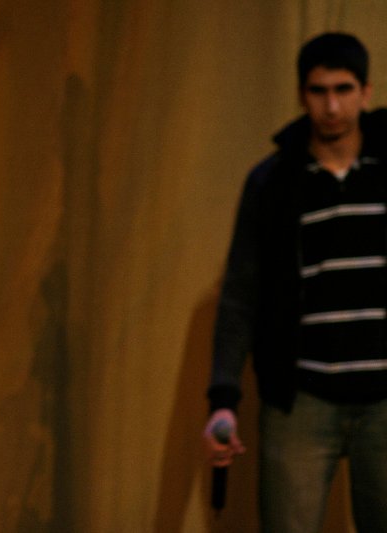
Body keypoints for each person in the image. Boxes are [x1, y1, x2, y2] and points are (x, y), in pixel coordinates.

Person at [203, 32, 387, 533]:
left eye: (343, 89)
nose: (332, 106)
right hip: (303, 396)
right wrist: (223, 400)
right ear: (302, 95)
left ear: (366, 92)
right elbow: (240, 296)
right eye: (319, 91)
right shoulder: (275, 181)